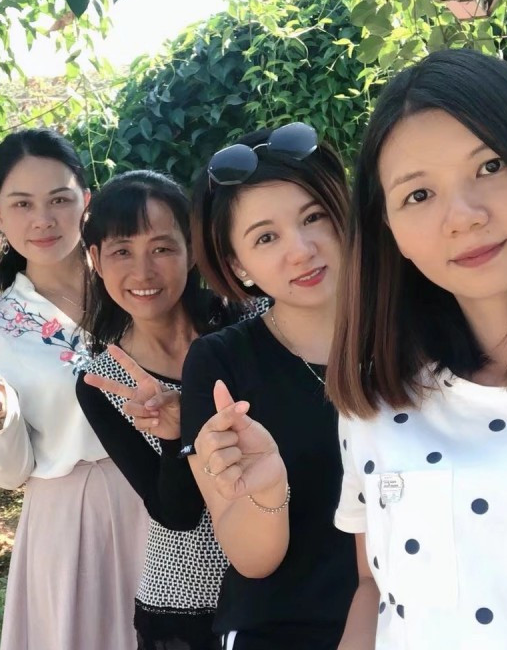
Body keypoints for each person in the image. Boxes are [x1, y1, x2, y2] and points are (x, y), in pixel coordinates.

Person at [327, 48, 507, 650]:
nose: (462, 217)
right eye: (418, 195)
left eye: (490, 165)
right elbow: (374, 585)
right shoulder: (376, 401)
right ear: (389, 229)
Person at [0, 128, 148, 650]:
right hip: (69, 523)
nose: (43, 219)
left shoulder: (136, 283)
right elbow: (10, 472)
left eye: (59, 199)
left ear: (86, 201)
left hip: (164, 500)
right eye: (22, 203)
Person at [180, 124, 358, 649]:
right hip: (283, 631)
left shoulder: (422, 336)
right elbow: (251, 560)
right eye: (266, 237)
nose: (300, 250)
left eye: (313, 217)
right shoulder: (220, 365)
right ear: (238, 264)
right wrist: (266, 490)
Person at [75, 170, 262, 650]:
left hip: (287, 583)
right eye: (122, 251)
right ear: (95, 259)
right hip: (186, 603)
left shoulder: (251, 325)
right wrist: (175, 436)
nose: (143, 272)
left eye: (161, 248)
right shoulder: (102, 381)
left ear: (192, 250)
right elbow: (175, 514)